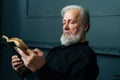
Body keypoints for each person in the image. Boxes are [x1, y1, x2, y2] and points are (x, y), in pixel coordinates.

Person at [11, 5, 99, 80]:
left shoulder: (86, 56)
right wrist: (25, 71)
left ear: (85, 27)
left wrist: (40, 68)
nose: (65, 27)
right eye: (64, 22)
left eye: (71, 22)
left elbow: (43, 74)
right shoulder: (56, 50)